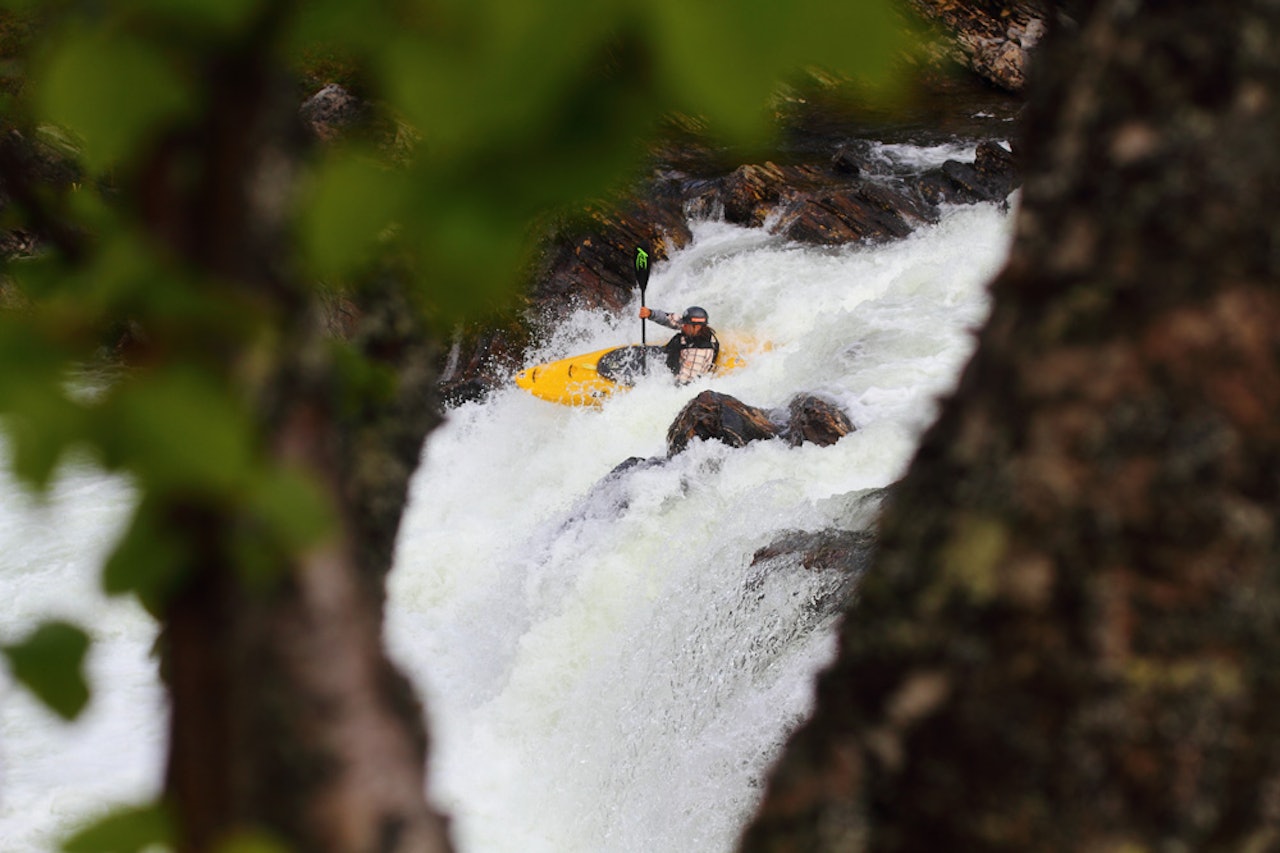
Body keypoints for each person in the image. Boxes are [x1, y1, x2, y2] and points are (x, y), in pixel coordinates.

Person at [639, 305, 720, 383]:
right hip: (670, 357)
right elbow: (670, 319)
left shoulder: (699, 352)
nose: (682, 326)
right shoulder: (693, 329)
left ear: (697, 327)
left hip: (676, 374)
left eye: (686, 325)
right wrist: (650, 313)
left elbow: (685, 381)